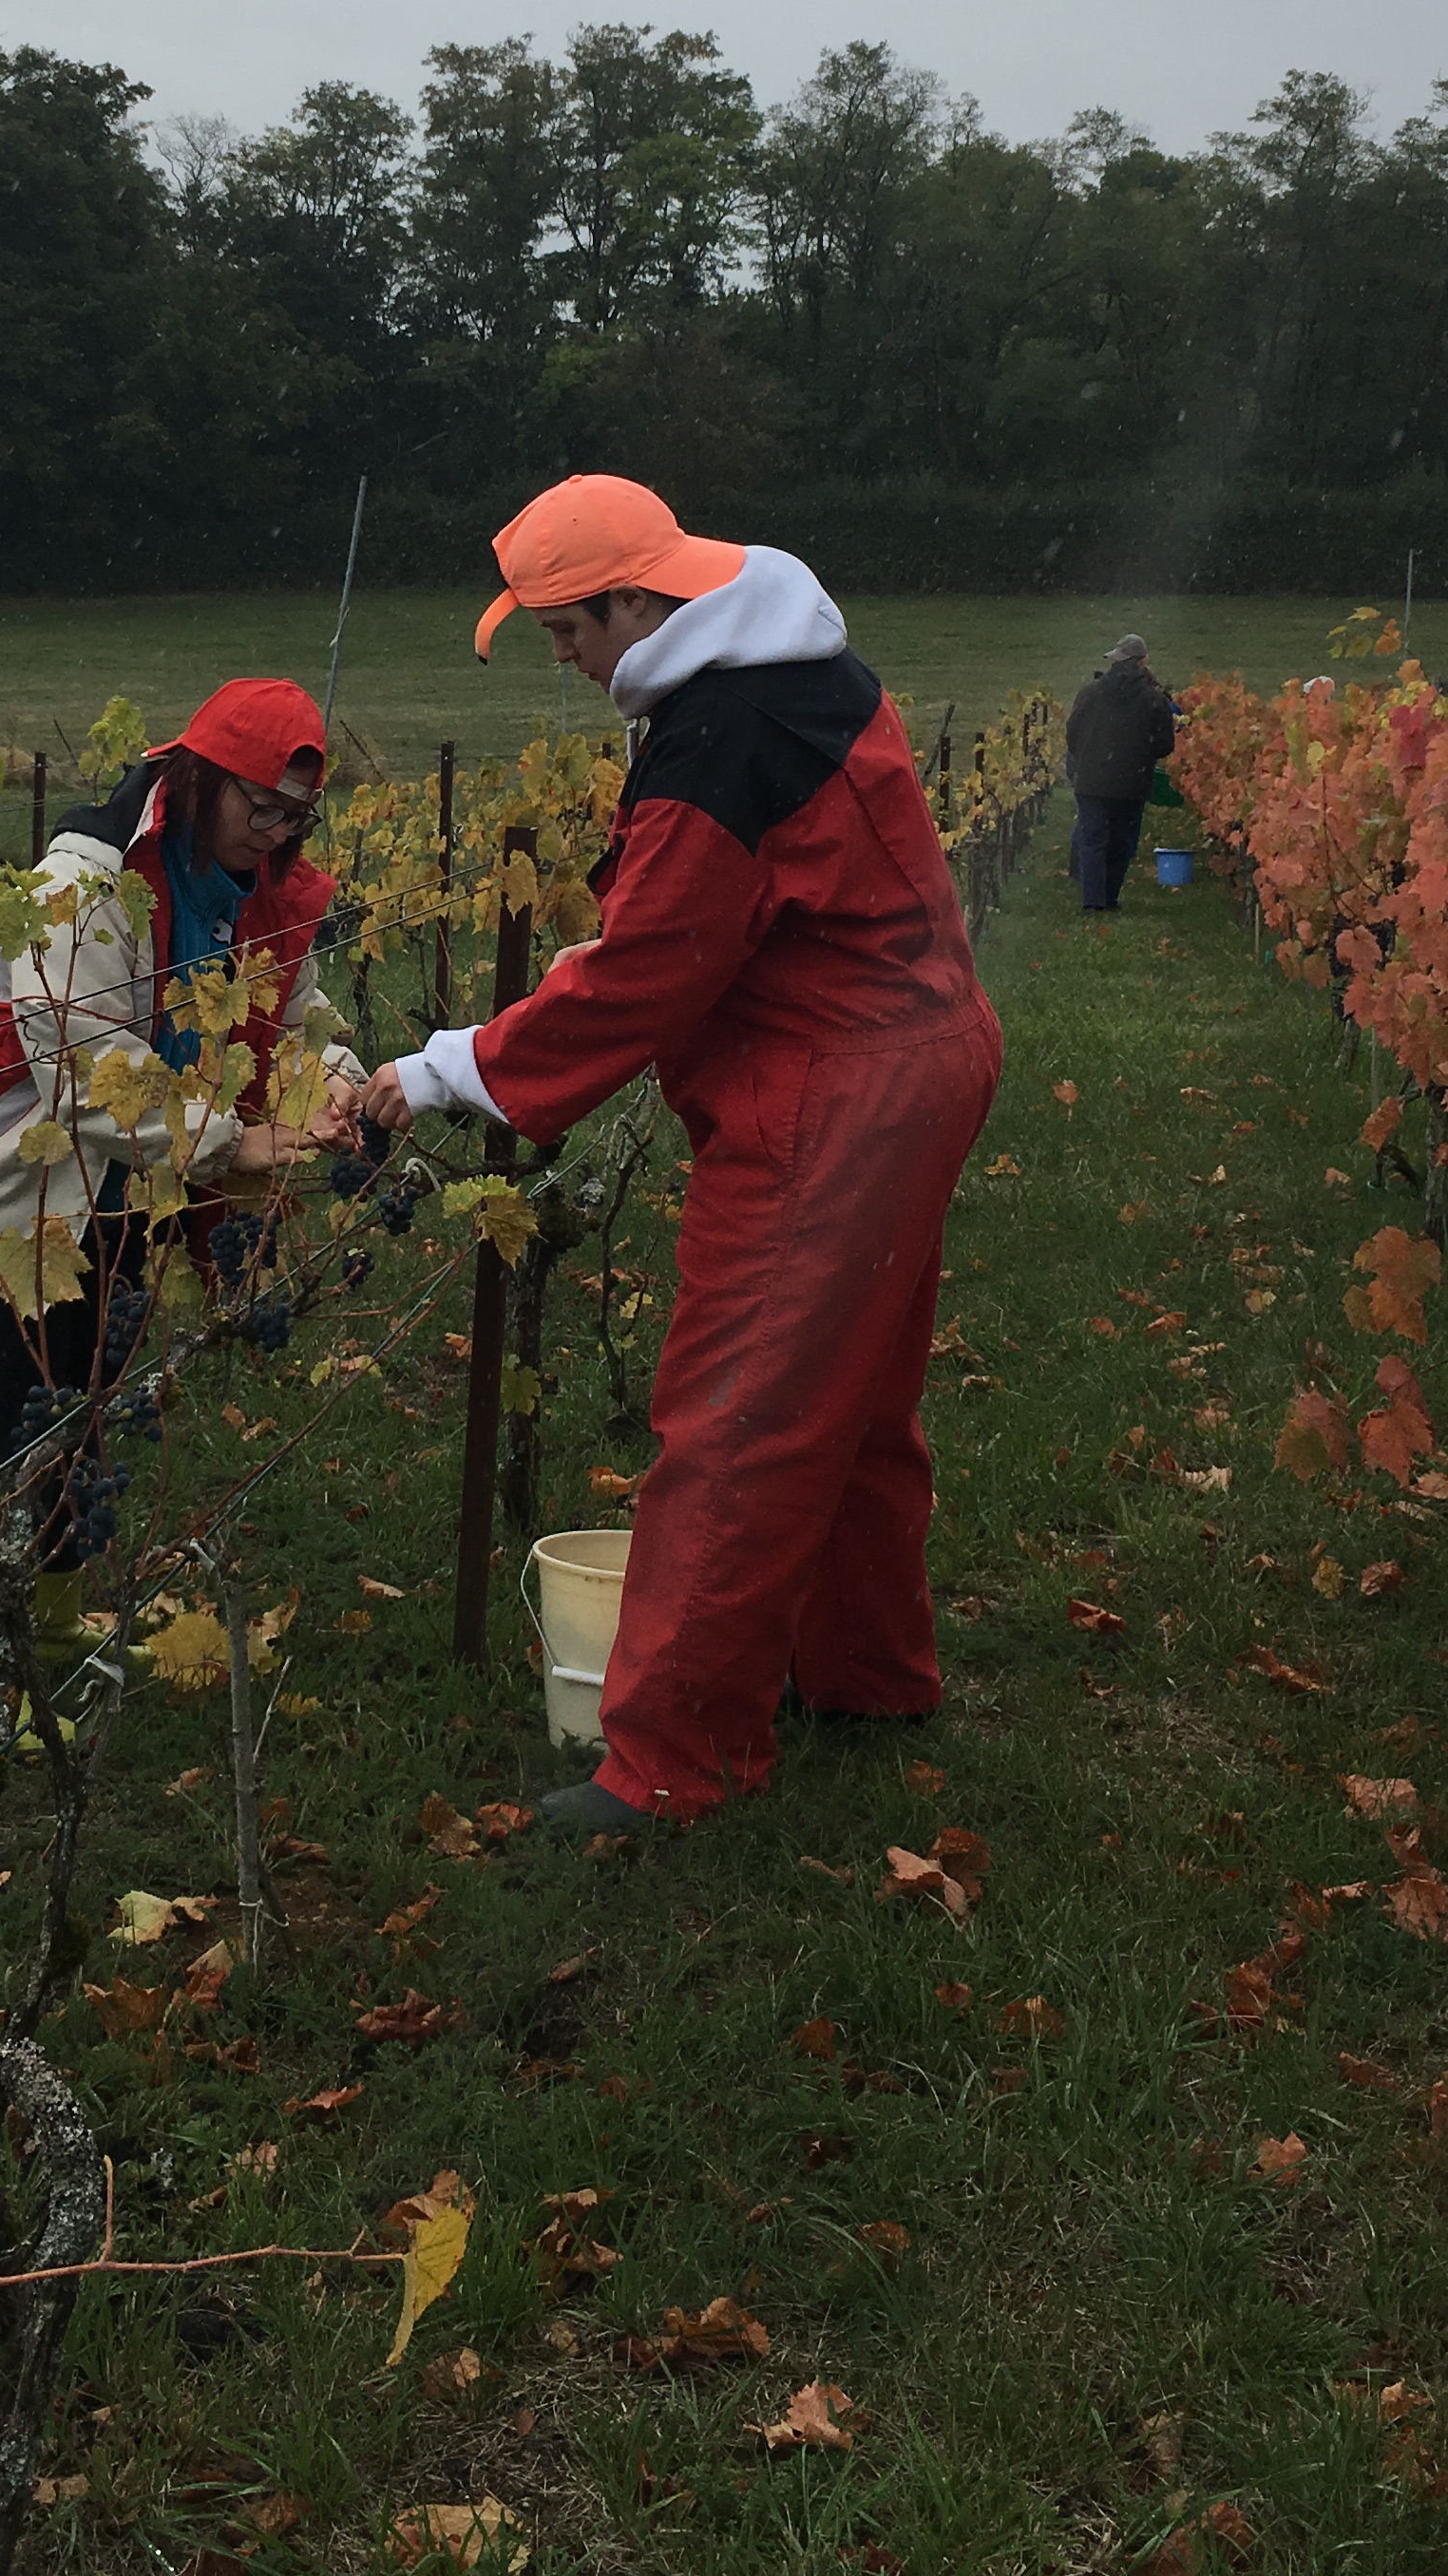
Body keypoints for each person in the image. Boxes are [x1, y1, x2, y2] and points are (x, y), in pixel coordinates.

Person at [359, 474, 1004, 1835]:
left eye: (566, 626)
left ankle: (670, 1767)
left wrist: (441, 1070)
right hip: (921, 1058)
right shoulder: (798, 667)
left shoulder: (721, 736)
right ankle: (870, 1676)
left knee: (741, 1418)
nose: (563, 657)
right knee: (857, 1398)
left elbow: (652, 971)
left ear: (638, 600)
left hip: (832, 1097)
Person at [0, 678, 360, 1731]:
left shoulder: (257, 892)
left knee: (81, 1407)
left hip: (107, 1191)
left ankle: (47, 1617)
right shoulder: (87, 882)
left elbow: (291, 1016)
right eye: (259, 806)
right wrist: (231, 1138)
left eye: (295, 817)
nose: (274, 832)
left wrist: (343, 1084)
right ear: (197, 779)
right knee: (6, 1420)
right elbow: (84, 1064)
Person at [1062, 633, 1175, 914]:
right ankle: (1111, 897)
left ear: (1117, 661)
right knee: (1121, 841)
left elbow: (1072, 734)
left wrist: (1087, 759)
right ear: (1143, 662)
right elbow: (1165, 745)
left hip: (1091, 781)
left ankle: (1092, 902)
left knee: (1093, 840)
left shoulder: (1090, 693)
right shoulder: (1153, 700)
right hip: (1133, 782)